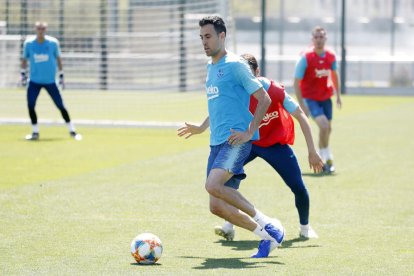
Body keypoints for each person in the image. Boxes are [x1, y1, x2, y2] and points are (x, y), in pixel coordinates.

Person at [177, 15, 285, 258]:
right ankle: (266, 237)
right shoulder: (211, 67)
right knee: (216, 206)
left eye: (208, 37)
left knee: (212, 185)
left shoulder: (236, 65)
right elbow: (219, 105)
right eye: (201, 37)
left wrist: (249, 132)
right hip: (216, 143)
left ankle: (266, 222)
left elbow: (264, 99)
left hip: (236, 141)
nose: (204, 42)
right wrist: (202, 127)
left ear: (222, 36)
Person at [213, 53, 324, 244]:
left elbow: (301, 116)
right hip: (248, 143)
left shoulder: (274, 91)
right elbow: (217, 110)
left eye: (248, 74)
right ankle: (229, 226)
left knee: (298, 186)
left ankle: (305, 228)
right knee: (222, 181)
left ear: (257, 72)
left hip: (274, 144)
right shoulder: (236, 91)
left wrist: (312, 151)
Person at [21, 21, 81, 141]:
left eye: (43, 28)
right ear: (35, 29)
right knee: (31, 105)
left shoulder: (53, 43)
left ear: (46, 30)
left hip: (50, 81)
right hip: (34, 81)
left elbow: (58, 58)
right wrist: (23, 74)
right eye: (38, 28)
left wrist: (61, 75)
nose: (40, 31)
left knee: (60, 105)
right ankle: (35, 132)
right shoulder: (29, 43)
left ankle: (73, 131)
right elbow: (24, 59)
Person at [294, 26, 342, 173]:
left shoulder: (331, 56)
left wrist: (338, 95)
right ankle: (324, 158)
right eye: (316, 37)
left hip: (325, 97)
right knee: (324, 126)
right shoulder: (306, 58)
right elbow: (296, 82)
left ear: (325, 39)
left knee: (328, 129)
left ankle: (326, 159)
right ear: (312, 39)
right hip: (310, 98)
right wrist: (302, 104)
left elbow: (334, 75)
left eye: (321, 37)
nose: (319, 40)